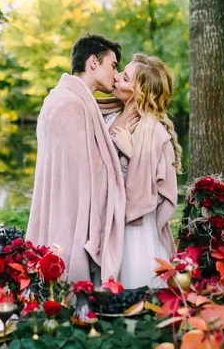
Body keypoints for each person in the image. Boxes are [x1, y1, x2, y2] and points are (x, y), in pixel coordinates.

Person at [26, 34, 138, 284]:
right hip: (67, 217)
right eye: (113, 65)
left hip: (63, 208)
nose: (115, 74)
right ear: (93, 62)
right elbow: (89, 171)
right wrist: (117, 133)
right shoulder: (68, 104)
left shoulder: (66, 98)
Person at [99, 54, 182, 289]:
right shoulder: (110, 114)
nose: (115, 77)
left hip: (135, 225)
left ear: (140, 92)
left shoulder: (153, 130)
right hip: (107, 215)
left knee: (134, 285)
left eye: (124, 78)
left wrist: (132, 152)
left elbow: (158, 188)